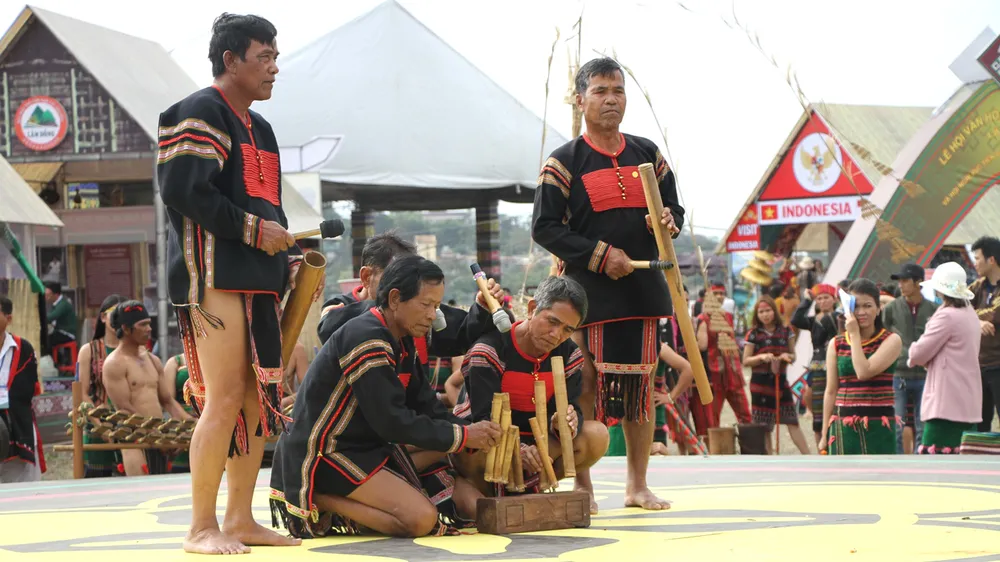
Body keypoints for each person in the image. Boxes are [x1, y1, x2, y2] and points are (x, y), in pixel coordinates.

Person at [157, 13, 313, 554]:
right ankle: (201, 527)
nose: (274, 68)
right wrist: (252, 230)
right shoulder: (200, 111)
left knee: (256, 399)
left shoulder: (260, 128)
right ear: (230, 60)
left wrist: (290, 257)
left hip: (257, 279)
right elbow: (183, 190)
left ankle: (240, 518)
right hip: (214, 275)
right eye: (263, 57)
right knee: (223, 398)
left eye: (275, 57)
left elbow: (269, 209)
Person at [531, 56, 683, 511]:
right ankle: (583, 486)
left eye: (617, 91)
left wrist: (668, 221)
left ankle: (637, 486)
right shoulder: (563, 161)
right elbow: (544, 227)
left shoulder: (647, 153)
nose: (610, 99)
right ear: (580, 100)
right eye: (600, 91)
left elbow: (673, 209)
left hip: (641, 291)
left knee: (641, 388)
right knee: (583, 384)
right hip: (582, 294)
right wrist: (599, 255)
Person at [269, 256, 502, 538]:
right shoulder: (367, 337)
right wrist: (464, 435)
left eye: (437, 306)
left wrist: (474, 433)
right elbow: (391, 422)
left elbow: (426, 406)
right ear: (394, 299)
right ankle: (318, 498)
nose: (432, 315)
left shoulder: (403, 339)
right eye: (426, 305)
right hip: (327, 451)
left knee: (452, 447)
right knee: (421, 519)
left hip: (364, 446)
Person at [453, 276, 609, 513]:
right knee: (474, 446)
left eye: (568, 330)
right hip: (490, 444)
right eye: (552, 322)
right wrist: (518, 450)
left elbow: (572, 407)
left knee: (596, 435)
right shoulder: (489, 350)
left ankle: (528, 487)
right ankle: (487, 489)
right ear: (532, 309)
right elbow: (482, 420)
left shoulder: (570, 355)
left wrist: (566, 422)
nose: (556, 335)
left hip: (537, 446)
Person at [103, 301, 193, 476]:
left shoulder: (153, 360)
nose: (149, 329)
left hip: (159, 435)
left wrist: (192, 425)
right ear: (126, 329)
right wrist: (156, 435)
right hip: (133, 436)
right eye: (143, 325)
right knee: (140, 488)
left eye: (149, 324)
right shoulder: (114, 363)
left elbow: (168, 401)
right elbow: (125, 408)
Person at [907, 263, 982, 453]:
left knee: (937, 458)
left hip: (945, 402)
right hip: (968, 401)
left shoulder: (947, 316)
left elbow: (919, 352)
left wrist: (913, 352)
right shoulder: (970, 314)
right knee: (963, 457)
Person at [821, 279, 902, 455]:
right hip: (842, 426)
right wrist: (824, 432)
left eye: (868, 306)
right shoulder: (837, 343)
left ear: (878, 309)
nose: (861, 312)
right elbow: (831, 391)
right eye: (855, 307)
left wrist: (854, 335)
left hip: (878, 426)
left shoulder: (891, 340)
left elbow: (863, 371)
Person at [742, 296, 810, 454]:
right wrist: (761, 357)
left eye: (768, 310)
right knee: (764, 426)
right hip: (761, 384)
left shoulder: (786, 331)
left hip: (781, 382)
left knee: (792, 421)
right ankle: (769, 458)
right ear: (757, 314)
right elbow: (745, 360)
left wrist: (787, 357)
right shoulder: (753, 334)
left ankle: (808, 455)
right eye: (761, 312)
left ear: (774, 311)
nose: (765, 315)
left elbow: (793, 355)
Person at [883, 263, 938, 453]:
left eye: (905, 280)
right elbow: (883, 334)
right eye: (900, 281)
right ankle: (896, 462)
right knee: (897, 423)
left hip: (925, 373)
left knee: (923, 423)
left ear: (918, 282)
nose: (900, 285)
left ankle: (921, 460)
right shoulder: (891, 308)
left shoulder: (933, 309)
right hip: (898, 373)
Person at [76, 294, 127, 477]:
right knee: (97, 482)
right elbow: (82, 393)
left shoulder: (135, 350)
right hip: (97, 423)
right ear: (103, 317)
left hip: (129, 424)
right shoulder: (89, 350)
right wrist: (100, 426)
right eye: (114, 313)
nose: (117, 319)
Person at [693, 284, 752, 435]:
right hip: (714, 373)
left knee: (745, 415)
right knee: (713, 418)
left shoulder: (728, 316)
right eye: (716, 293)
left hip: (733, 372)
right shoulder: (702, 319)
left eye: (722, 293)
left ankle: (750, 445)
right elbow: (702, 346)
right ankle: (715, 447)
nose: (719, 296)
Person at [790, 283, 842, 445]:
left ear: (834, 300)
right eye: (819, 299)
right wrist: (807, 300)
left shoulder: (840, 318)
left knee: (836, 409)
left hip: (837, 365)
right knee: (818, 415)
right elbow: (795, 319)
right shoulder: (813, 321)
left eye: (826, 298)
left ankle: (837, 446)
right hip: (817, 368)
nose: (822, 301)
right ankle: (822, 450)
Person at [0, 294, 44, 483]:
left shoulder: (23, 348)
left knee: (20, 488)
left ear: (8, 318)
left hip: (17, 424)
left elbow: (26, 390)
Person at [970, 235, 1000, 432]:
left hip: (998, 364)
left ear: (991, 260)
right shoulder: (976, 287)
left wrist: (972, 318)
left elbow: (996, 315)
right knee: (979, 423)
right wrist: (977, 322)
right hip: (978, 365)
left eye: (978, 258)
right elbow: (956, 308)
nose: (975, 263)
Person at [163, 352, 199, 473]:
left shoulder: (215, 358)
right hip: (182, 425)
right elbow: (168, 400)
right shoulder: (175, 362)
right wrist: (190, 422)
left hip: (211, 422)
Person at [44, 281, 77, 365]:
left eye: (48, 295)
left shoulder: (63, 304)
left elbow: (51, 317)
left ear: (56, 295)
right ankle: (58, 361)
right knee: (47, 340)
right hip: (60, 332)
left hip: (67, 333)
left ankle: (56, 363)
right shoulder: (56, 304)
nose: (46, 297)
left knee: (46, 341)